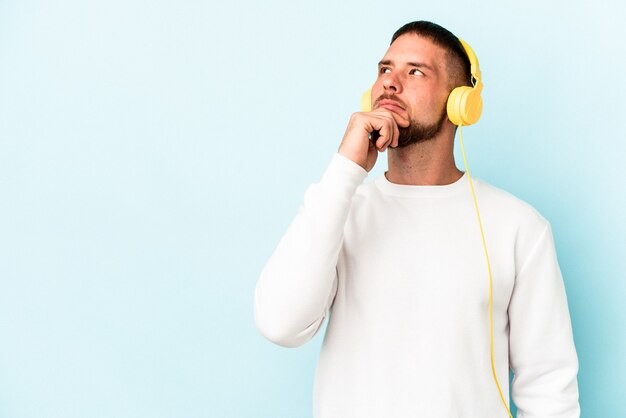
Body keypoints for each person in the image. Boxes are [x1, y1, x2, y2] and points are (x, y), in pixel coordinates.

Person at [254, 20, 580, 418]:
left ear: (461, 102)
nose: (390, 82)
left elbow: (549, 388)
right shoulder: (338, 207)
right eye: (385, 70)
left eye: (415, 72)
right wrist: (345, 170)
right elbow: (280, 324)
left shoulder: (520, 228)